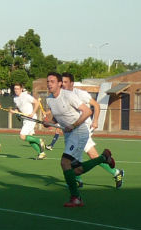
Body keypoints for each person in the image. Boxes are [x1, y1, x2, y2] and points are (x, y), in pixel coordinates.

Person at [43, 72, 116, 207]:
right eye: (48, 81)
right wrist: (48, 122)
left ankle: (76, 198)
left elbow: (88, 111)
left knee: (65, 163)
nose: (49, 84)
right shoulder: (49, 99)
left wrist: (74, 125)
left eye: (52, 81)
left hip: (79, 131)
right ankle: (103, 158)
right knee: (76, 170)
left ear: (59, 84)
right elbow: (56, 117)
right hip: (69, 134)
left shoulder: (69, 96)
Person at [60, 72, 124, 189]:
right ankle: (114, 172)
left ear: (72, 83)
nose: (63, 84)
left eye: (65, 82)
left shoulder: (80, 93)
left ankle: (115, 172)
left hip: (83, 129)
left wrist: (95, 121)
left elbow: (96, 105)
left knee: (81, 156)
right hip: (71, 131)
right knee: (85, 156)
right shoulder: (62, 96)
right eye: (61, 82)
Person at [12, 83, 46, 160]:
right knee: (30, 139)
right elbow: (17, 108)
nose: (16, 90)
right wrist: (15, 112)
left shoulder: (26, 96)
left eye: (17, 89)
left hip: (31, 118)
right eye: (15, 89)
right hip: (25, 119)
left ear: (21, 89)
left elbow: (37, 102)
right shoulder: (15, 98)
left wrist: (33, 113)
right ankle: (41, 153)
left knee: (22, 136)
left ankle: (39, 140)